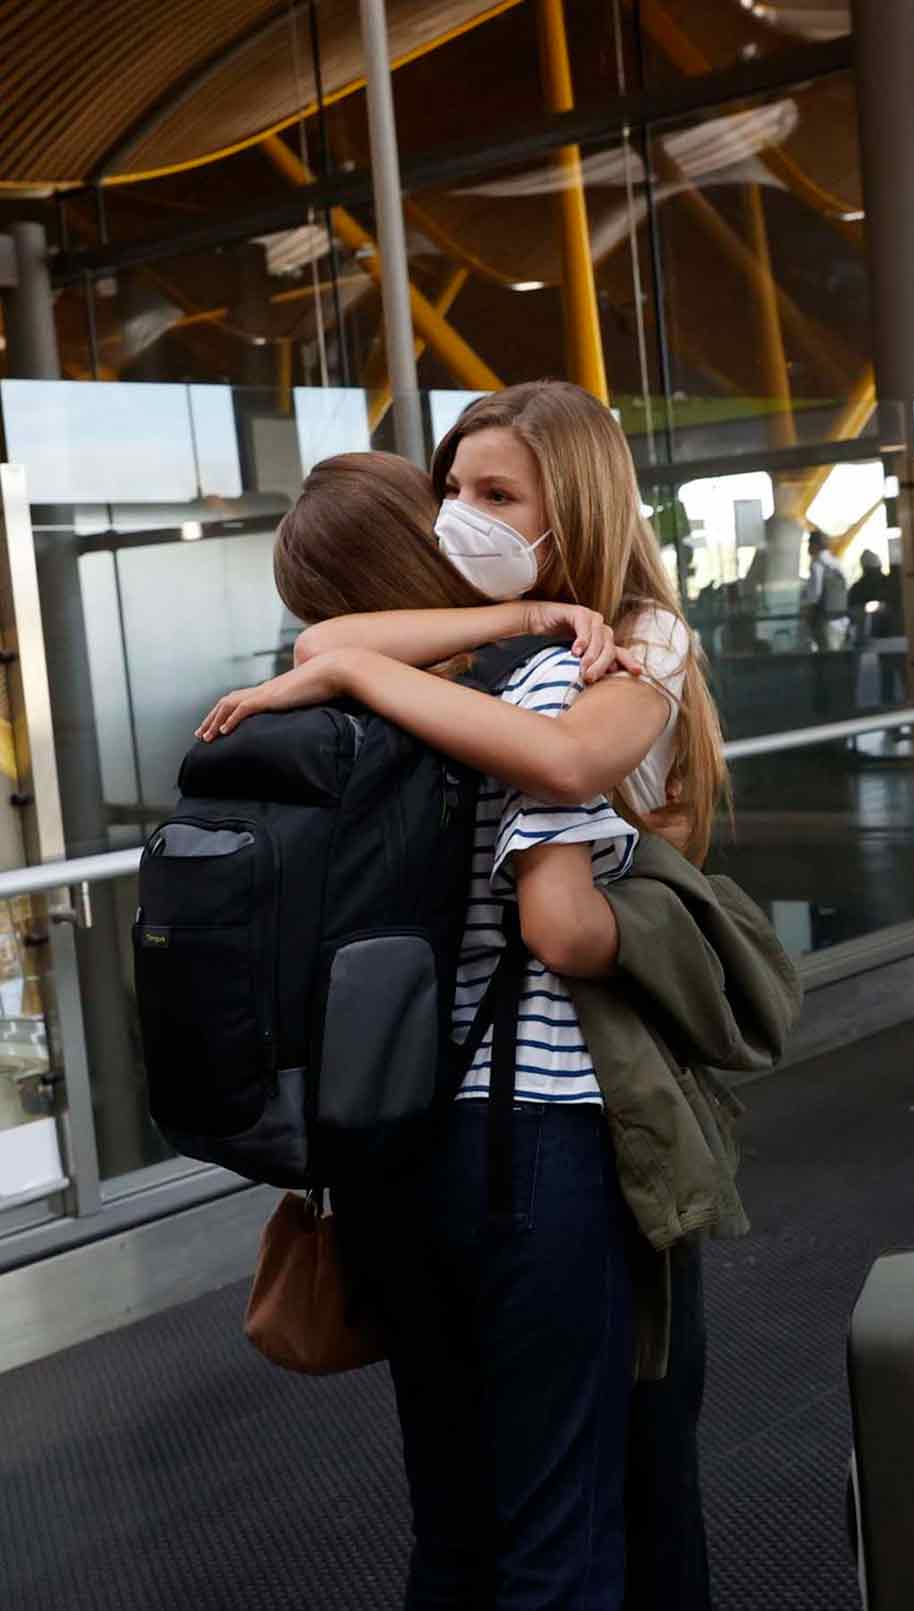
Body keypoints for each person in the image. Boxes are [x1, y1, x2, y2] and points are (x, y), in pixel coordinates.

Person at [196, 383, 728, 1608]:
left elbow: (322, 649)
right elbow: (563, 914)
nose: (462, 517)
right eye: (453, 492)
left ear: (572, 509)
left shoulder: (459, 671)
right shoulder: (535, 674)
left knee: (455, 1523)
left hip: (403, 1142)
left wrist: (357, 673)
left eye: (497, 496)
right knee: (575, 1519)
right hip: (542, 1132)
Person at [804, 529, 850, 652]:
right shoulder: (836, 563)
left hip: (824, 618)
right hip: (840, 617)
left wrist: (809, 612)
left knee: (826, 654)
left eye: (809, 543)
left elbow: (815, 594)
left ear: (815, 545)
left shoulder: (817, 564)